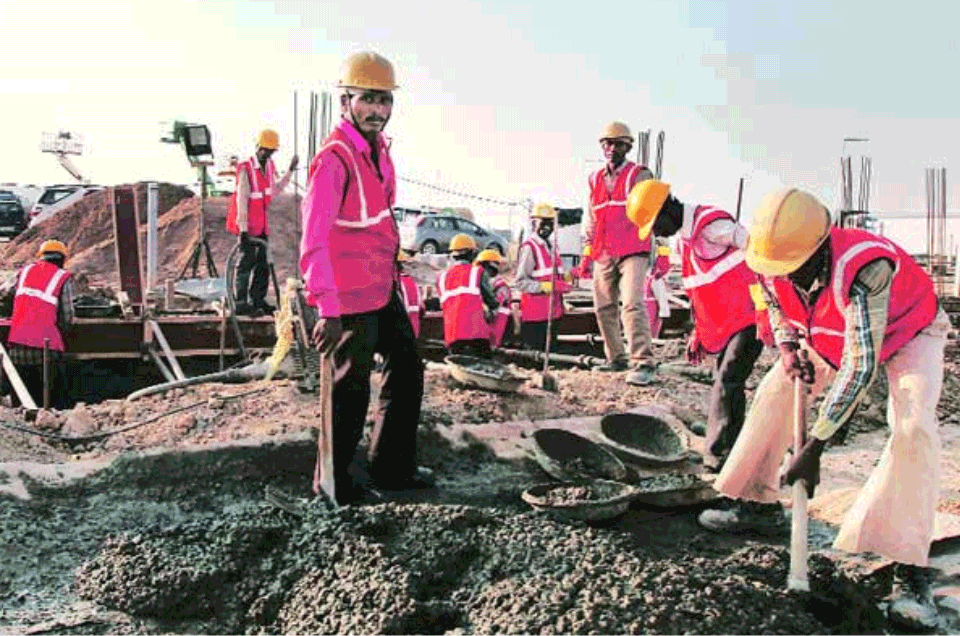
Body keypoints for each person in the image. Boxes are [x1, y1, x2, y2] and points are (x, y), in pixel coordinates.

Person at [698, 188, 947, 630]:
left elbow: (861, 362)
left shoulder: (867, 267)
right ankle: (754, 500)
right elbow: (773, 303)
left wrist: (815, 445)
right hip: (828, 331)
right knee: (776, 390)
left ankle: (908, 566)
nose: (784, 274)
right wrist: (789, 346)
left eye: (793, 268)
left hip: (909, 331)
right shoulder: (768, 255)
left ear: (819, 248)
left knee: (912, 428)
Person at [300, 50, 431, 506]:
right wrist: (327, 310)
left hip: (381, 286)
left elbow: (375, 221)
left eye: (384, 101)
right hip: (348, 297)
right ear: (346, 101)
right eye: (368, 99)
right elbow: (314, 240)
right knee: (348, 393)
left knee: (408, 369)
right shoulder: (334, 160)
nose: (378, 109)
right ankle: (332, 486)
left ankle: (391, 466)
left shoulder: (379, 152)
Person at [627, 179, 765, 472]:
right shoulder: (685, 242)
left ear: (667, 209)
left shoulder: (713, 225)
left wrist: (769, 309)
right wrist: (697, 332)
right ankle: (731, 452)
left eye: (655, 225)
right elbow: (699, 291)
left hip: (750, 315)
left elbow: (760, 254)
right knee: (727, 385)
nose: (656, 234)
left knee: (728, 380)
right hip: (727, 323)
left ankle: (719, 461)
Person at [579, 122, 656, 386]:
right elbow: (591, 217)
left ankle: (643, 361)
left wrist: (663, 251)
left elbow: (655, 212)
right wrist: (588, 250)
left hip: (633, 248)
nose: (611, 149)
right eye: (607, 144)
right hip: (605, 249)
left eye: (617, 144)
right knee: (603, 306)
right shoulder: (594, 179)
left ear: (628, 147)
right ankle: (616, 358)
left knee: (632, 303)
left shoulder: (640, 175)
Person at [227, 128, 298, 316]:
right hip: (248, 227)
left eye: (271, 151)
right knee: (245, 265)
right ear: (258, 147)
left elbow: (274, 191)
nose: (267, 154)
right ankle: (240, 302)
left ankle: (258, 300)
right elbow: (241, 200)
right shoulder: (245, 168)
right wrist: (243, 230)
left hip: (262, 226)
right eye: (265, 150)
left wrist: (290, 171)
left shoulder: (269, 167)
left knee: (262, 266)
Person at [5, 240, 74, 409]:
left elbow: (6, 293)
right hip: (46, 348)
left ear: (41, 257)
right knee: (52, 392)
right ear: (63, 259)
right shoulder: (61, 277)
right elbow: (68, 315)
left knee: (21, 391)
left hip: (17, 345)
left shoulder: (24, 271)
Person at [515, 203, 572, 352]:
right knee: (535, 358)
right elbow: (520, 282)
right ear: (534, 223)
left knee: (551, 354)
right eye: (543, 222)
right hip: (535, 317)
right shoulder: (530, 247)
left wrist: (567, 277)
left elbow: (553, 274)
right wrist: (545, 287)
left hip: (554, 314)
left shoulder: (552, 246)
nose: (547, 227)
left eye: (550, 223)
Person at [437, 233, 499, 357]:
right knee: (484, 364)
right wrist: (493, 309)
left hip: (452, 333)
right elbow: (491, 300)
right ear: (472, 253)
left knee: (459, 364)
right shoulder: (477, 272)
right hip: (476, 331)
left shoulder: (441, 277)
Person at [475, 248, 512, 349]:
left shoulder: (500, 287)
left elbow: (492, 312)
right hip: (487, 334)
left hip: (493, 334)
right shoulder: (490, 284)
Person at [644, 239, 672, 338]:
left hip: (649, 306)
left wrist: (664, 312)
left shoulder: (654, 275)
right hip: (641, 305)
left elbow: (663, 267)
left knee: (650, 332)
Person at [397, 251, 422, 339]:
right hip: (414, 331)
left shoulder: (395, 283)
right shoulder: (412, 282)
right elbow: (421, 307)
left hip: (400, 332)